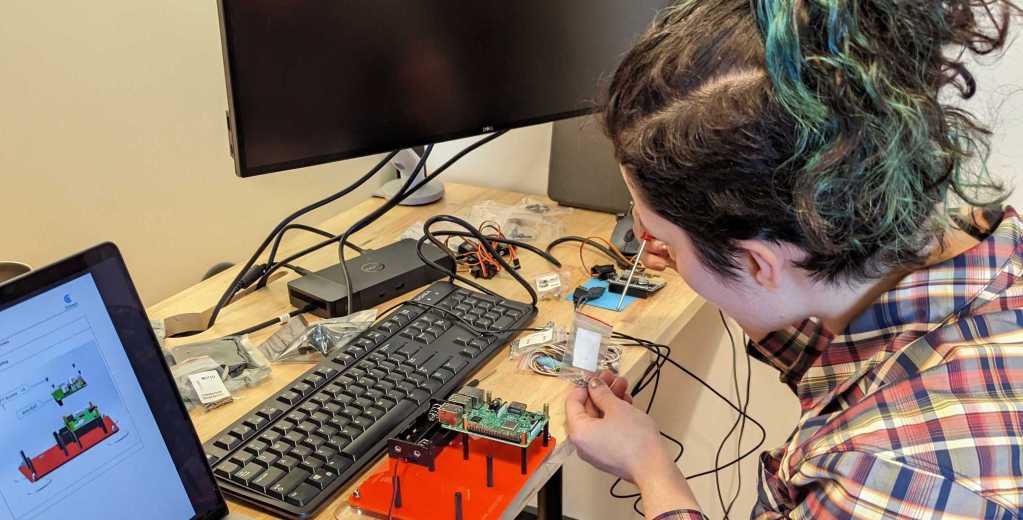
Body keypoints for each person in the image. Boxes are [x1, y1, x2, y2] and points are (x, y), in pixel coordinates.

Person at [565, 0, 1023, 518]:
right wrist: (705, 259)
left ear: (760, 263)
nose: (644, 233)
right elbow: (853, 353)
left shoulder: (880, 485)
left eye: (658, 228)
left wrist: (649, 465)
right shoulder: (989, 267)